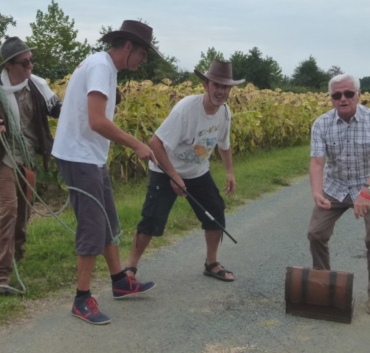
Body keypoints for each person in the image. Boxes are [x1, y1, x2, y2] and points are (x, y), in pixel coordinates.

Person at [52, 20, 160, 325]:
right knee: (92, 227)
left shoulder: (106, 69)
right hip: (79, 157)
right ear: (127, 47)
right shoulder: (100, 66)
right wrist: (136, 143)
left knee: (109, 220)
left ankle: (119, 281)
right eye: (142, 54)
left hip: (91, 157)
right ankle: (81, 299)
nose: (143, 61)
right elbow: (97, 121)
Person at [125, 60, 244, 284]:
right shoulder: (186, 109)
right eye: (216, 85)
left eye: (225, 87)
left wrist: (230, 173)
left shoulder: (224, 113)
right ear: (205, 85)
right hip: (164, 168)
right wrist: (174, 176)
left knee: (215, 211)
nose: (221, 91)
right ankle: (130, 269)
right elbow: (155, 142)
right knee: (152, 219)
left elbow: (224, 144)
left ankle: (212, 263)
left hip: (197, 171)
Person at [0, 37, 62, 295]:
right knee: (8, 210)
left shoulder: (38, 87)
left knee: (24, 213)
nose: (30, 66)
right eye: (25, 62)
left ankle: (16, 252)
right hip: (1, 158)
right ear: (9, 65)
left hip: (27, 158)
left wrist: (88, 103)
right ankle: (1, 277)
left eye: (31, 60)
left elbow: (57, 110)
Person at [307, 73, 370, 316]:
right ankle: (324, 285)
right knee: (315, 233)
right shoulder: (321, 124)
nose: (343, 99)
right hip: (335, 186)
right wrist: (316, 192)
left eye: (348, 94)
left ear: (358, 95)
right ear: (331, 98)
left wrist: (367, 192)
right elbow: (317, 163)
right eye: (336, 95)